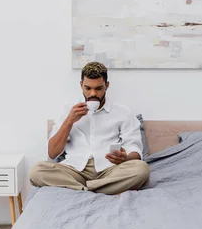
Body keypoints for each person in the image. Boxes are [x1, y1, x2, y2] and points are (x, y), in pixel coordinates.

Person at [29, 62, 150, 195]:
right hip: (74, 170)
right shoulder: (68, 110)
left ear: (107, 86)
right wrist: (69, 121)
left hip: (110, 171)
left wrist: (125, 158)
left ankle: (82, 189)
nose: (93, 93)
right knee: (37, 171)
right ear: (81, 85)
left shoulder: (122, 112)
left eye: (99, 88)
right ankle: (98, 188)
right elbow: (52, 153)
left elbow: (135, 150)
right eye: (88, 88)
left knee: (141, 169)